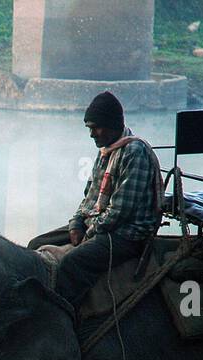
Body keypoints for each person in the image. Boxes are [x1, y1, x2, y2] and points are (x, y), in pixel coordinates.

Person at [51, 90, 162, 308]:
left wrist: (89, 233)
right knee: (37, 244)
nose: (92, 134)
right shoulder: (106, 151)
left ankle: (66, 315)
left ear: (113, 125)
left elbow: (120, 211)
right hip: (100, 224)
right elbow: (89, 197)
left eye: (96, 127)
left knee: (72, 263)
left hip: (126, 234)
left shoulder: (134, 152)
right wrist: (76, 223)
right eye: (89, 128)